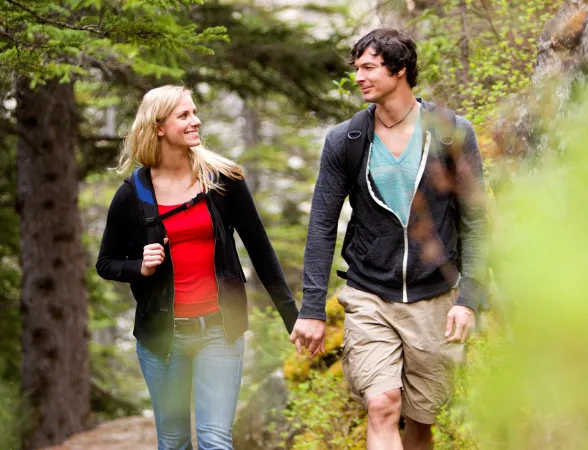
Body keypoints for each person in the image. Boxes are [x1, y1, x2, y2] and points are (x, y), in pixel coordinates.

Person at [291, 29, 486, 450]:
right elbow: (321, 225)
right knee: (382, 405)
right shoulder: (346, 140)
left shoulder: (451, 132)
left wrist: (469, 297)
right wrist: (312, 309)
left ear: (399, 70)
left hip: (435, 296)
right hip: (369, 294)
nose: (358, 76)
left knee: (421, 420)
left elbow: (476, 222)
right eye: (356, 68)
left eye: (369, 67)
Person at [96, 85, 298, 450]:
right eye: (184, 115)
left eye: (195, 112)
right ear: (159, 127)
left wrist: (293, 318)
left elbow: (260, 250)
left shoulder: (222, 179)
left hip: (219, 331)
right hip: (162, 338)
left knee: (215, 440)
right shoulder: (133, 194)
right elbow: (106, 263)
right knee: (174, 442)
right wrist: (140, 267)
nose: (196, 121)